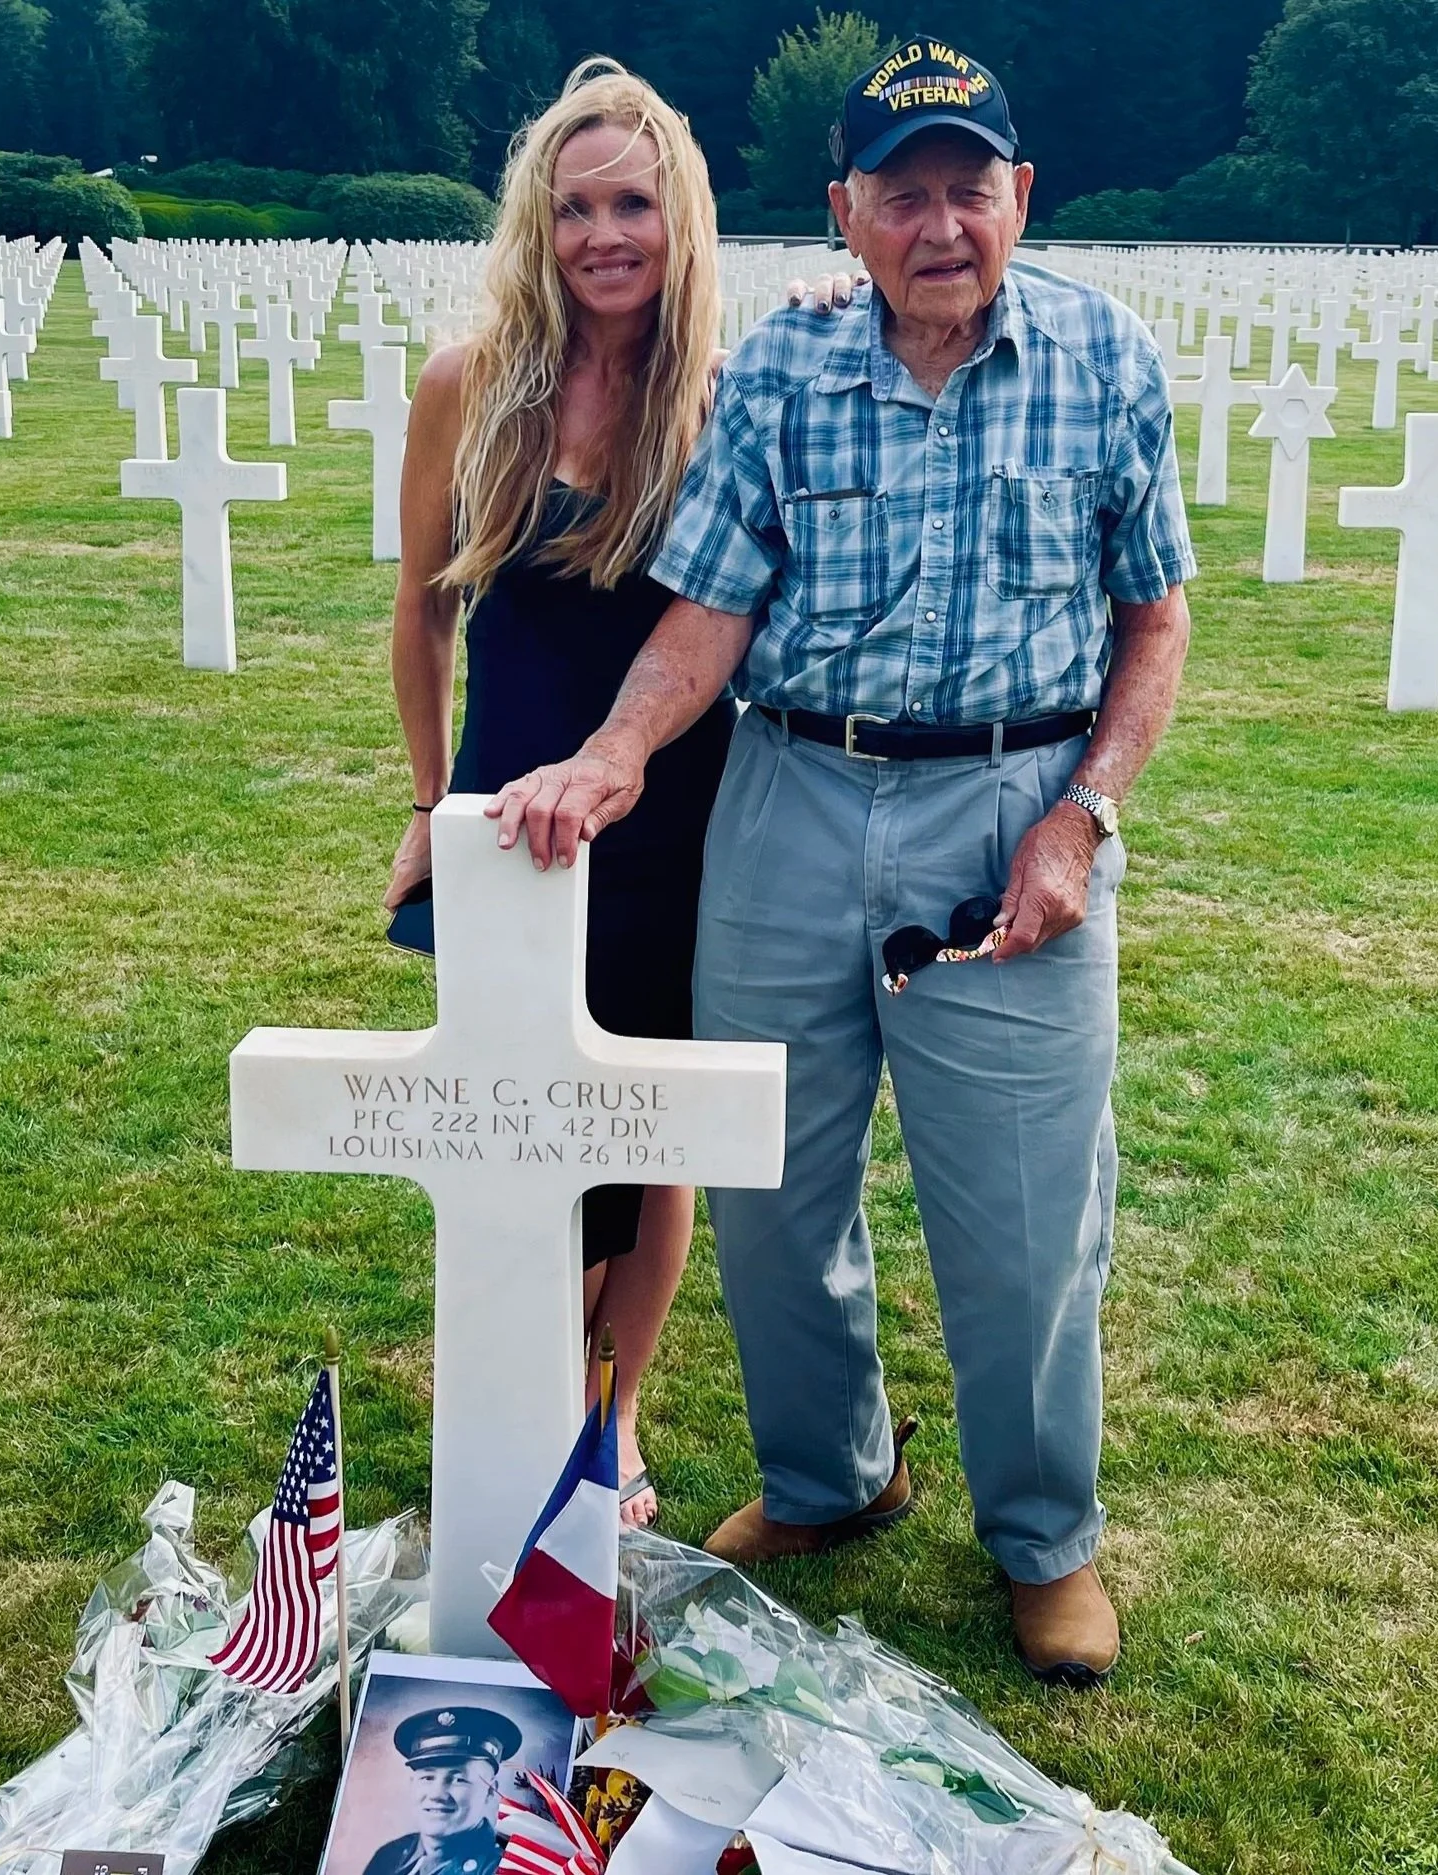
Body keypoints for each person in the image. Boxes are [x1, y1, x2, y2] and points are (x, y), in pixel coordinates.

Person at [485, 38, 1196, 1687]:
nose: (939, 222)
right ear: (844, 216)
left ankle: (1043, 1538)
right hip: (792, 797)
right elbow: (714, 603)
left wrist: (1086, 811)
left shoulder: (1106, 360)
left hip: (1007, 806)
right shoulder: (783, 372)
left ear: (1022, 196)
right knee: (768, 1182)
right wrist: (615, 752)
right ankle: (828, 1477)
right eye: (903, 192)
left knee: (1022, 1218)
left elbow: (1153, 614)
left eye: (970, 186)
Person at [385, 59, 733, 1529]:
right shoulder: (468, 386)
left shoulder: (719, 394)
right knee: (520, 1114)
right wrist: (422, 798)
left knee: (650, 1129)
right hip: (504, 806)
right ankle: (528, 1387)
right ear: (538, 219)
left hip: (672, 806)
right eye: (576, 204)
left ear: (680, 218)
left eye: (634, 204)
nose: (605, 234)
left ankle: (618, 1407)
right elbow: (420, 607)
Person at [358, 1705, 522, 1875]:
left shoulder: (506, 1868)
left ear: (490, 1791)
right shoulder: (388, 1858)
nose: (437, 1794)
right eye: (427, 1778)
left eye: (459, 1779)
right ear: (412, 1783)